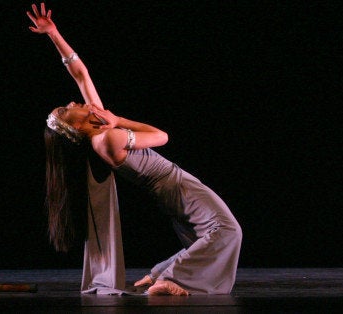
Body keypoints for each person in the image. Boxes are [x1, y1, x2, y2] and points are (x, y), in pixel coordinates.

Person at [27, 3, 242, 295]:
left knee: (206, 236)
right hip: (175, 185)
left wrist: (53, 33)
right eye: (68, 109)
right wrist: (118, 120)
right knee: (228, 230)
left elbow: (80, 74)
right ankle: (172, 280)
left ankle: (157, 276)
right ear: (76, 128)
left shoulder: (101, 129)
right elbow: (162, 136)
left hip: (170, 189)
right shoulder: (106, 139)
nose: (73, 103)